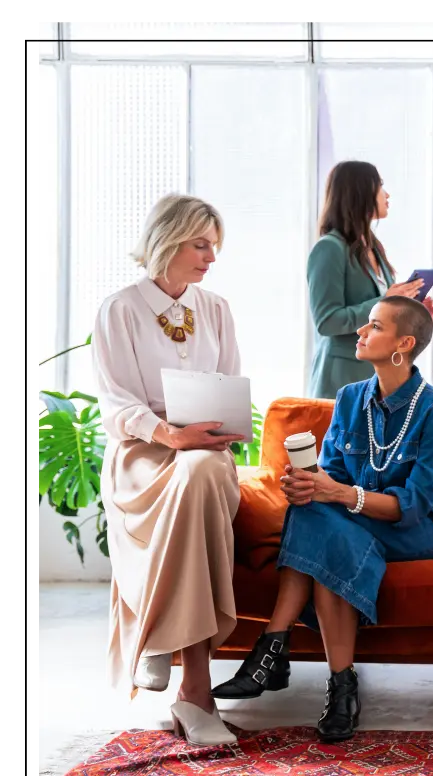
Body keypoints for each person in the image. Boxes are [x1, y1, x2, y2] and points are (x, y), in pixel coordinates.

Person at [212, 297, 433, 743]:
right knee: (314, 514)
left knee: (321, 522)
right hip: (350, 522)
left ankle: (272, 651)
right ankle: (339, 687)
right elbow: (333, 476)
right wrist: (308, 485)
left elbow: (415, 505)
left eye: (374, 326)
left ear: (404, 343)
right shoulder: (349, 398)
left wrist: (337, 493)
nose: (360, 332)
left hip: (414, 531)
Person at [94, 194, 245, 746]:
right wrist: (167, 435)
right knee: (192, 478)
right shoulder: (119, 309)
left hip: (204, 450)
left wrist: (212, 434)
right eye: (200, 244)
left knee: (202, 472)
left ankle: (162, 638)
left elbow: (229, 388)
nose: (210, 257)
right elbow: (115, 404)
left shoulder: (218, 309)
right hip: (142, 452)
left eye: (214, 246)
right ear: (168, 239)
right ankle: (195, 694)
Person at [308, 160, 433, 399]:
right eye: (380, 186)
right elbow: (326, 321)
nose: (387, 194)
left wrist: (415, 312)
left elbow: (384, 318)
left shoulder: (373, 248)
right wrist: (385, 301)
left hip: (379, 380)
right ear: (361, 192)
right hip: (342, 380)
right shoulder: (329, 249)